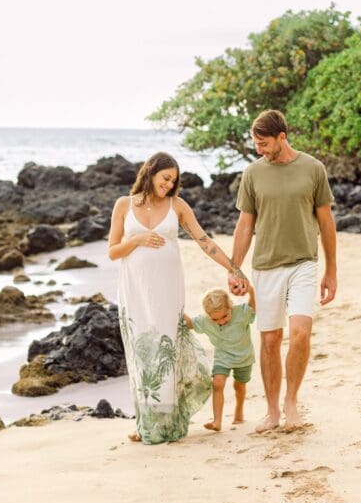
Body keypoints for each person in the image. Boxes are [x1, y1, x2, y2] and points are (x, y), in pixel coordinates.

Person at [108, 151, 253, 444]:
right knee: (141, 354)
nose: (168, 185)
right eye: (165, 178)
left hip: (167, 289)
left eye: (173, 181)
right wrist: (136, 240)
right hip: (135, 291)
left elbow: (204, 241)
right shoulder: (124, 205)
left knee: (166, 351)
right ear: (150, 172)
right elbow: (113, 251)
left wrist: (234, 269)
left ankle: (170, 421)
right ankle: (145, 423)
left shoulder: (177, 206)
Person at [228, 109, 337, 433]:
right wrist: (235, 269)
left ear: (282, 138)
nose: (259, 149)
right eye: (255, 144)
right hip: (265, 268)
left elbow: (326, 223)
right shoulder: (252, 174)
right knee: (271, 339)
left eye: (264, 143)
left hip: (304, 262)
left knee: (301, 333)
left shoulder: (312, 168)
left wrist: (331, 271)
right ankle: (272, 410)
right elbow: (245, 225)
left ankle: (292, 402)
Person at [185, 285, 256, 432]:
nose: (221, 321)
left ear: (230, 307)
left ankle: (239, 410)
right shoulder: (205, 321)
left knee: (239, 386)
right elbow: (190, 323)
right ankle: (217, 421)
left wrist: (250, 290)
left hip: (244, 357)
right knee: (217, 384)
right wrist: (176, 308)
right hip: (222, 357)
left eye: (225, 316)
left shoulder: (241, 313)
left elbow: (254, 304)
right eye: (215, 319)